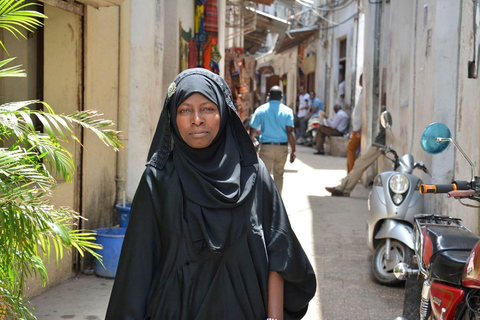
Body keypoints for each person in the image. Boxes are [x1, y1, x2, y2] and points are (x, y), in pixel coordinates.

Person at [106, 69, 316, 320]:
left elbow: (280, 254)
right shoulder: (159, 180)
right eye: (184, 110)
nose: (196, 119)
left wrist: (273, 318)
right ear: (172, 116)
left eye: (207, 108)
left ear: (224, 112)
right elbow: (136, 270)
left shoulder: (253, 174)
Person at [326, 95, 387, 197]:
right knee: (359, 164)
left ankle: (344, 188)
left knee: (360, 164)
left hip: (379, 145)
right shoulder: (385, 111)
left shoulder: (386, 112)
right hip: (378, 144)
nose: (382, 99)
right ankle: (343, 187)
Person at [249, 86, 296, 194]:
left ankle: (265, 201)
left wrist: (251, 140)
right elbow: (290, 131)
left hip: (266, 147)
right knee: (279, 175)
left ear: (268, 96)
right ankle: (277, 201)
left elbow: (253, 128)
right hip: (282, 147)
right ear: (281, 97)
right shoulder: (287, 111)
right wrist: (293, 150)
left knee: (264, 175)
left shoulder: (261, 110)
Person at [347, 74, 363, 172]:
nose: (359, 81)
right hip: (356, 127)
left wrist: (361, 130)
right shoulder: (362, 93)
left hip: (359, 129)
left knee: (351, 148)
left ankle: (351, 173)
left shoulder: (365, 94)